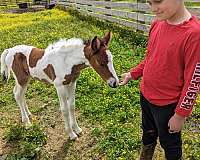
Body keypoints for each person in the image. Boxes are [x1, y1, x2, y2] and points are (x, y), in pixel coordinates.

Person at [119, 0, 200, 159]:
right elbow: (150, 57)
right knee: (148, 132)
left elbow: (193, 81)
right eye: (149, 3)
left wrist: (180, 115)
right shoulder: (157, 23)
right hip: (146, 95)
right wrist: (133, 74)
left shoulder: (194, 34)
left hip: (167, 106)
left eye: (157, 1)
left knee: (170, 143)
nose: (153, 8)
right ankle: (146, 154)